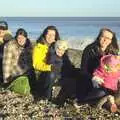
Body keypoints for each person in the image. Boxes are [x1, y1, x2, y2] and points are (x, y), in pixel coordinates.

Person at [76, 28, 119, 102]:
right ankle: (81, 100)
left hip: (109, 81)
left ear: (111, 41)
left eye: (108, 38)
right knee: (101, 92)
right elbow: (83, 70)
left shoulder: (113, 52)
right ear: (99, 36)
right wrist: (93, 78)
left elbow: (117, 68)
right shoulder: (89, 49)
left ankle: (110, 101)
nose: (105, 40)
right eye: (103, 37)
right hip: (91, 81)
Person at [2, 28, 33, 95]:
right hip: (15, 73)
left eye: (23, 38)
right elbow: (6, 64)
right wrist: (6, 80)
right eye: (19, 38)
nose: (21, 40)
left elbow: (30, 61)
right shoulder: (10, 45)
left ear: (26, 38)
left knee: (34, 87)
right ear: (16, 38)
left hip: (28, 70)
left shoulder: (29, 45)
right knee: (21, 89)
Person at [32, 26, 60, 97]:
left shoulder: (58, 46)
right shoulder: (39, 47)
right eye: (48, 34)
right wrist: (49, 67)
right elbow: (36, 64)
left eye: (53, 35)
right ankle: (47, 97)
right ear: (44, 35)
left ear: (55, 37)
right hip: (43, 73)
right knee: (51, 74)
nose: (50, 37)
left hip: (57, 71)